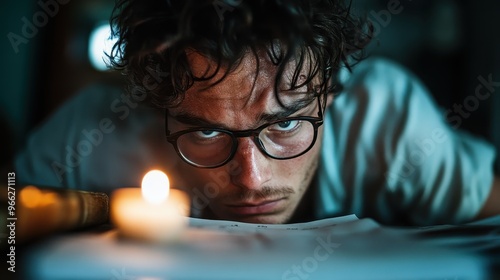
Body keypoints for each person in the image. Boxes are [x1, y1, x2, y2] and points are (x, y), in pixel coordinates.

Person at [14, 0, 499, 226]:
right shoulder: (89, 135)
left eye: (285, 123)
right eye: (205, 131)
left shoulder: (388, 121)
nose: (251, 178)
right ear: (157, 104)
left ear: (330, 93)